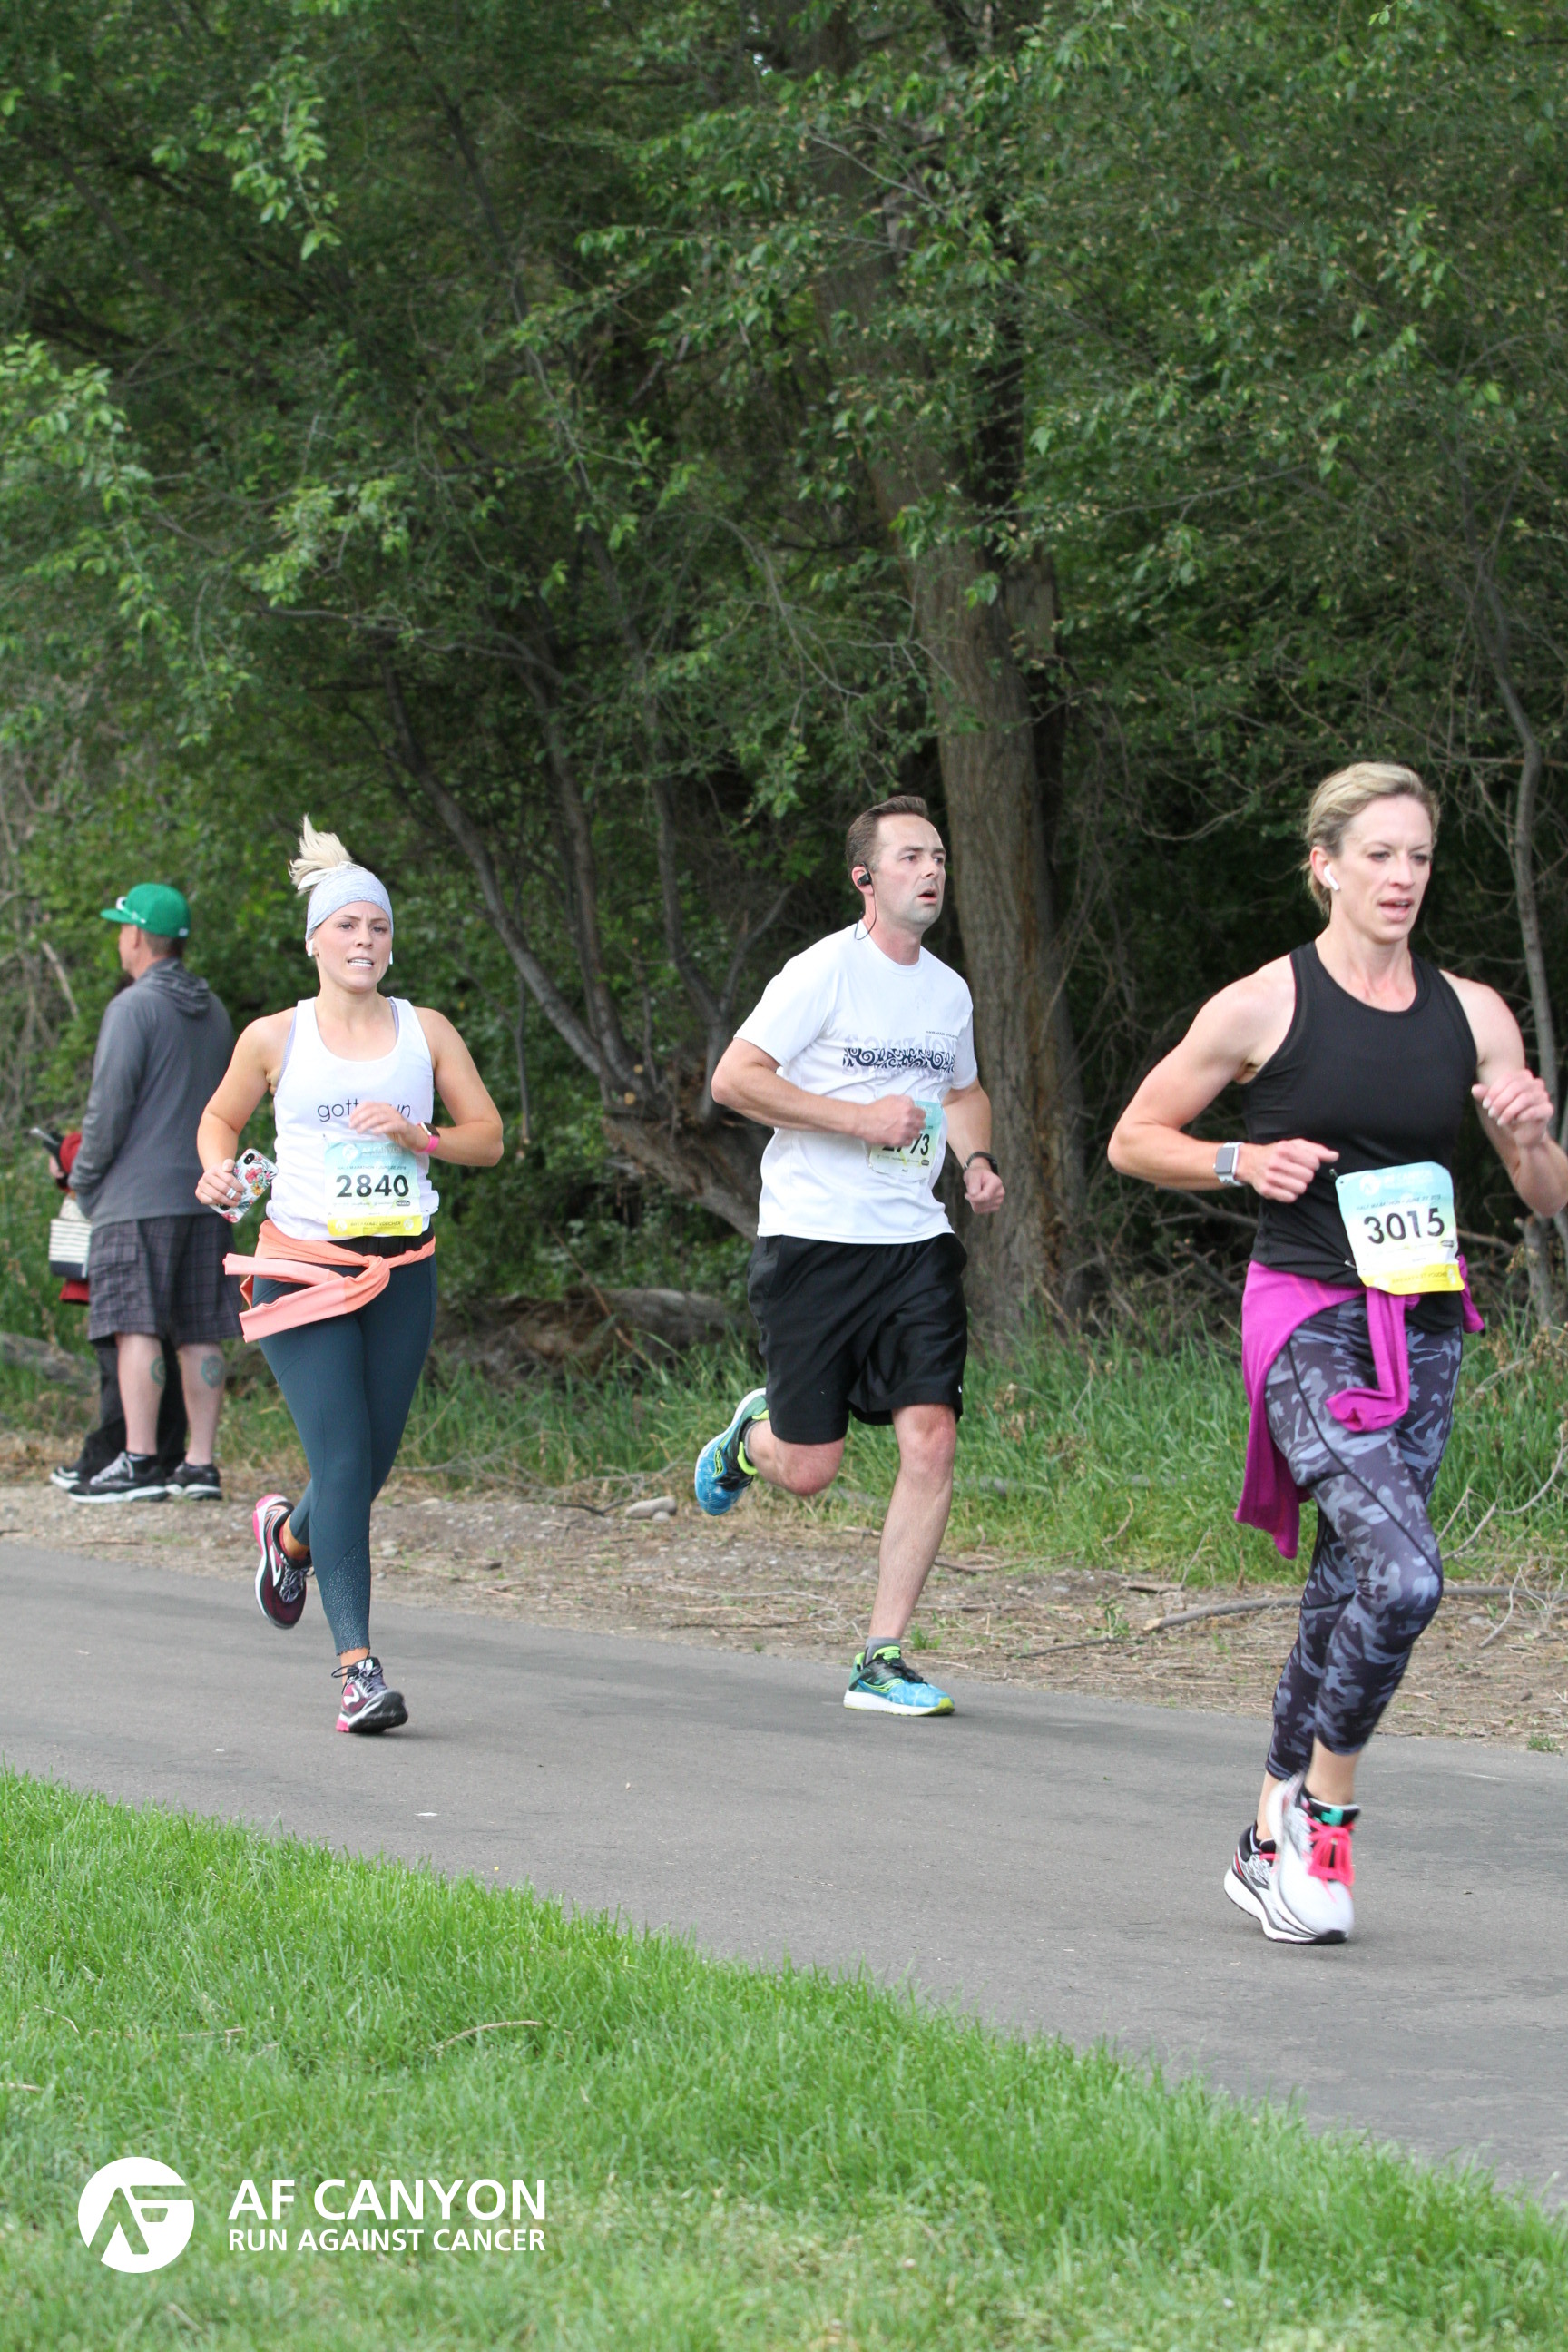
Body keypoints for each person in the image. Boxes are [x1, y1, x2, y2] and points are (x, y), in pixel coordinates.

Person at [1108, 762, 1568, 1944]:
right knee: (1406, 1576)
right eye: (1380, 855)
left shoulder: (1474, 1014)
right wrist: (1238, 1162)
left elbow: (1545, 1194)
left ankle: (1265, 1832)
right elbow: (1135, 1138)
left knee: (1347, 1582)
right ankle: (1322, 1823)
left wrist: (1530, 1138)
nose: (1403, 877)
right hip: (1308, 1317)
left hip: (1424, 1321)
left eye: (1419, 856)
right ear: (1325, 866)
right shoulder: (1264, 1004)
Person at [694, 794, 1005, 1717]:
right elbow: (735, 1079)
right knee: (810, 1468)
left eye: (938, 855)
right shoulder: (821, 972)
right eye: (910, 856)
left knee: (932, 1434)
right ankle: (752, 1439)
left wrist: (975, 1161)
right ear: (865, 878)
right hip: (814, 1240)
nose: (931, 869)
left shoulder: (948, 992)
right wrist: (856, 1119)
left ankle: (882, 1656)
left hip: (916, 1243)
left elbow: (965, 1092)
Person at [196, 819, 503, 1736]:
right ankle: (357, 1670)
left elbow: (488, 1138)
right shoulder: (274, 1037)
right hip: (301, 1269)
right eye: (346, 926)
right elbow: (218, 1120)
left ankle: (290, 1536)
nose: (363, 940)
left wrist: (420, 1135)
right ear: (314, 942)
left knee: (369, 1466)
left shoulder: (426, 1031)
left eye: (377, 927)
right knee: (340, 1460)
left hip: (402, 1268)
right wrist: (216, 1171)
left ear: (391, 943)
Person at [67, 883, 239, 1502]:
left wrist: (83, 1181)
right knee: (200, 1329)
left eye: (122, 928)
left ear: (138, 936)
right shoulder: (215, 1011)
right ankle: (200, 1464)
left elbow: (107, 1109)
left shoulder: (132, 1008)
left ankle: (139, 1459)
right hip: (208, 1191)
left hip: (136, 1200)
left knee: (134, 1324)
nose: (120, 939)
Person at [42, 1129, 190, 1489]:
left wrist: (64, 1156)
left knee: (123, 1350)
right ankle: (167, 1455)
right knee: (162, 1348)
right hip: (181, 1203)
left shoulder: (127, 1104)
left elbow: (100, 1141)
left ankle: (112, 1454)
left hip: (129, 1216)